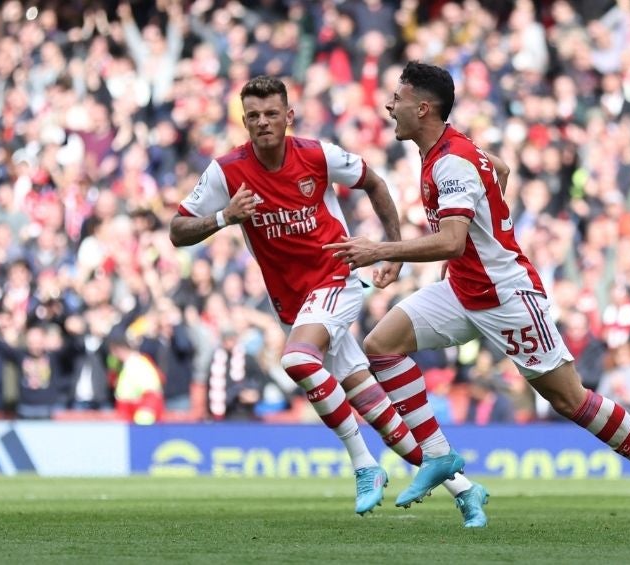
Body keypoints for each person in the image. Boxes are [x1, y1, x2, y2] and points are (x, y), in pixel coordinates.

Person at [325, 61, 630, 535]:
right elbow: (498, 171)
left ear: (422, 107)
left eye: (396, 98)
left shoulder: (451, 160)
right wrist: (483, 232)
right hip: (464, 288)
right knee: (381, 344)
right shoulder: (448, 150)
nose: (387, 106)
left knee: (569, 400)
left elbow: (453, 239)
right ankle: (437, 455)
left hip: (507, 297)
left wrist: (382, 249)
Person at [170, 75, 488, 524]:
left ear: (288, 117)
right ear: (244, 121)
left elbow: (374, 182)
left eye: (271, 114)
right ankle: (466, 489)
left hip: (337, 279)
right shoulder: (227, 172)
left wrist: (391, 251)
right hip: (293, 305)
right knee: (380, 413)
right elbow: (177, 230)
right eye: (254, 116)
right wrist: (224, 216)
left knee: (297, 360)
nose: (263, 123)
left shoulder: (317, 155)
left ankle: (363, 466)